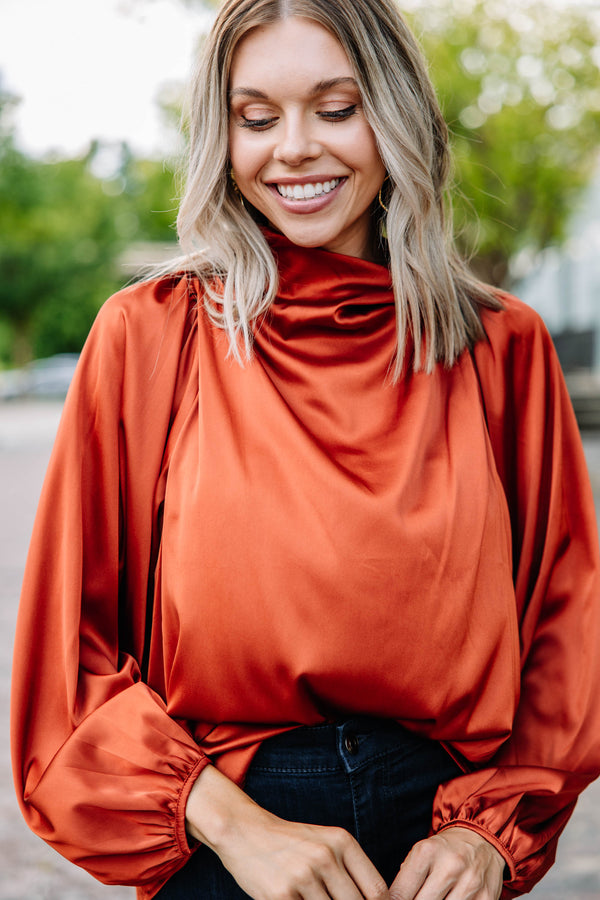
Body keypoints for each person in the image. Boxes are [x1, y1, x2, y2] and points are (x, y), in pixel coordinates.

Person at [11, 0, 600, 898]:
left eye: (337, 107)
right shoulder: (148, 336)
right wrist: (242, 830)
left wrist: (491, 833)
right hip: (225, 837)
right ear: (225, 136)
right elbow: (69, 665)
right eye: (257, 117)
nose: (294, 147)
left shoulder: (499, 346)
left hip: (440, 842)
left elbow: (567, 625)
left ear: (396, 114)